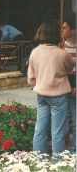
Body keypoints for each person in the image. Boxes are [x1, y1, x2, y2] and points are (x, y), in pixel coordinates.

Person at [28, 20, 75, 154]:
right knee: (58, 131)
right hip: (59, 96)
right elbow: (71, 67)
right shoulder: (61, 53)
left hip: (41, 95)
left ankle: (38, 160)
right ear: (56, 34)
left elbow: (31, 79)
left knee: (40, 129)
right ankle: (58, 163)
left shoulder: (34, 52)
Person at [61, 18, 76, 154]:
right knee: (62, 120)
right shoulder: (61, 47)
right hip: (63, 87)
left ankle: (75, 149)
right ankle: (63, 147)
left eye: (64, 28)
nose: (62, 30)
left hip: (75, 87)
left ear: (73, 30)